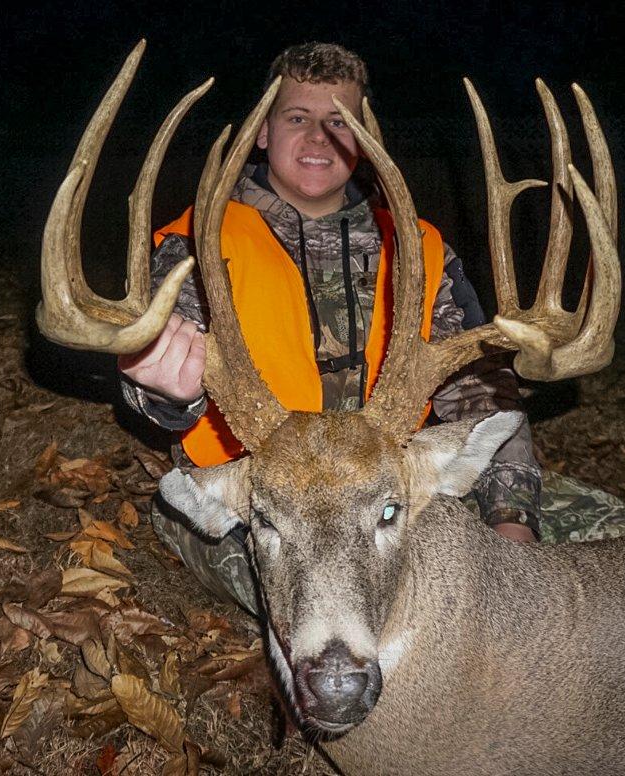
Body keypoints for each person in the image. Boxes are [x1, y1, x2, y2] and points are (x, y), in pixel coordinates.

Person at [118, 42, 542, 614]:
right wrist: (169, 391)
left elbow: (484, 394)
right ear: (263, 132)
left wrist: (510, 521)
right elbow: (156, 389)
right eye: (298, 118)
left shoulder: (417, 249)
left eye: (339, 122)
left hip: (394, 490)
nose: (319, 138)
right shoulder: (199, 241)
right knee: (374, 616)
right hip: (253, 502)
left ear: (365, 140)